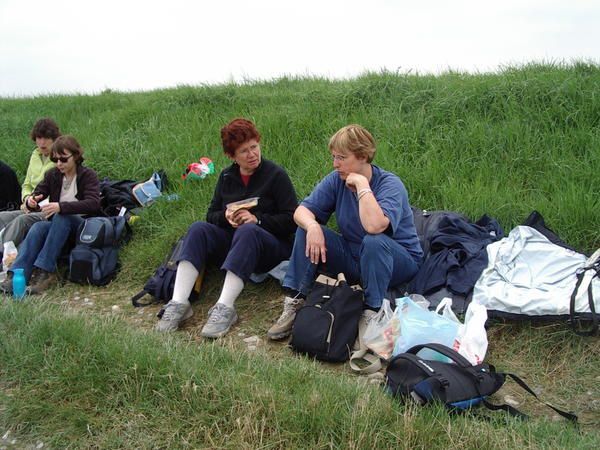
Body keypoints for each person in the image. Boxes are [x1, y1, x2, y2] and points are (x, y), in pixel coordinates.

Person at [267, 124, 423, 340]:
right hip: (355, 257)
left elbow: (375, 227)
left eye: (341, 157)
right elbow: (301, 211)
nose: (335, 164)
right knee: (307, 229)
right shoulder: (337, 179)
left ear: (363, 157)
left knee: (374, 241)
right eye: (333, 157)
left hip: (397, 261)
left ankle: (372, 312)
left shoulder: (390, 184)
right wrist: (312, 226)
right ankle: (296, 300)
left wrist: (361, 185)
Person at [156, 118, 297, 338]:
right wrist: (226, 217)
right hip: (236, 244)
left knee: (248, 230)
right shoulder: (226, 176)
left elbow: (291, 219)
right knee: (198, 228)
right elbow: (210, 215)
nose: (252, 154)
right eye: (244, 151)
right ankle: (179, 303)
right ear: (232, 156)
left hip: (271, 246)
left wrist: (257, 220)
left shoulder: (275, 175)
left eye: (254, 147)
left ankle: (225, 307)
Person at [0, 135, 101, 295]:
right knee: (39, 227)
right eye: (55, 160)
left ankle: (45, 272)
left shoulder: (88, 176)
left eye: (63, 159)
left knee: (62, 216)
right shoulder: (53, 175)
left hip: (82, 224)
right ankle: (17, 275)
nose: (59, 164)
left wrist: (61, 206)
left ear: (75, 156)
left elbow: (94, 203)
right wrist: (31, 201)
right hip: (57, 224)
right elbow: (39, 192)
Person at [0, 118, 59, 249]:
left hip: (48, 207)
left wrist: (36, 202)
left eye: (47, 138)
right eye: (39, 138)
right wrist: (27, 199)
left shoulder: (60, 159)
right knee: (2, 217)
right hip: (30, 204)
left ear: (54, 139)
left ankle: (2, 252)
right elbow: (26, 184)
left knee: (21, 221)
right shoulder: (35, 155)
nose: (42, 142)